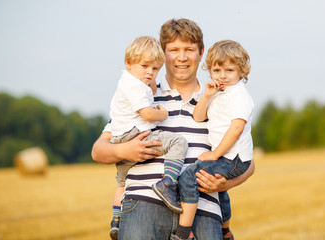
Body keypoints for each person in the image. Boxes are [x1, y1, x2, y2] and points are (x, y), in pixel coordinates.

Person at [92, 18, 255, 240]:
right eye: (173, 50)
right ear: (162, 53)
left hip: (203, 213)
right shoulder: (142, 94)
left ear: (201, 53)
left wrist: (226, 183)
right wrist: (124, 151)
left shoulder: (221, 99)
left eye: (189, 49)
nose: (181, 57)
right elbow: (98, 150)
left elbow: (248, 161)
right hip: (143, 206)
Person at [171, 40, 254, 240]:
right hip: (226, 156)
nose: (222, 76)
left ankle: (183, 232)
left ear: (241, 72)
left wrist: (214, 154)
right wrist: (207, 96)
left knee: (188, 177)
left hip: (233, 157)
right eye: (217, 70)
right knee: (219, 189)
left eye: (229, 70)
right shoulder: (219, 93)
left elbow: (236, 129)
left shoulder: (239, 95)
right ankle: (225, 231)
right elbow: (198, 117)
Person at [108, 36, 188, 240]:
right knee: (179, 142)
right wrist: (163, 113)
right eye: (145, 66)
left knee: (121, 184)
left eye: (154, 69)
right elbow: (148, 114)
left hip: (120, 140)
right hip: (138, 135)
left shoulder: (128, 82)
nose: (149, 73)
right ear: (128, 63)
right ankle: (168, 183)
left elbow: (148, 91)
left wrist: (150, 83)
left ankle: (116, 220)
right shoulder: (133, 85)